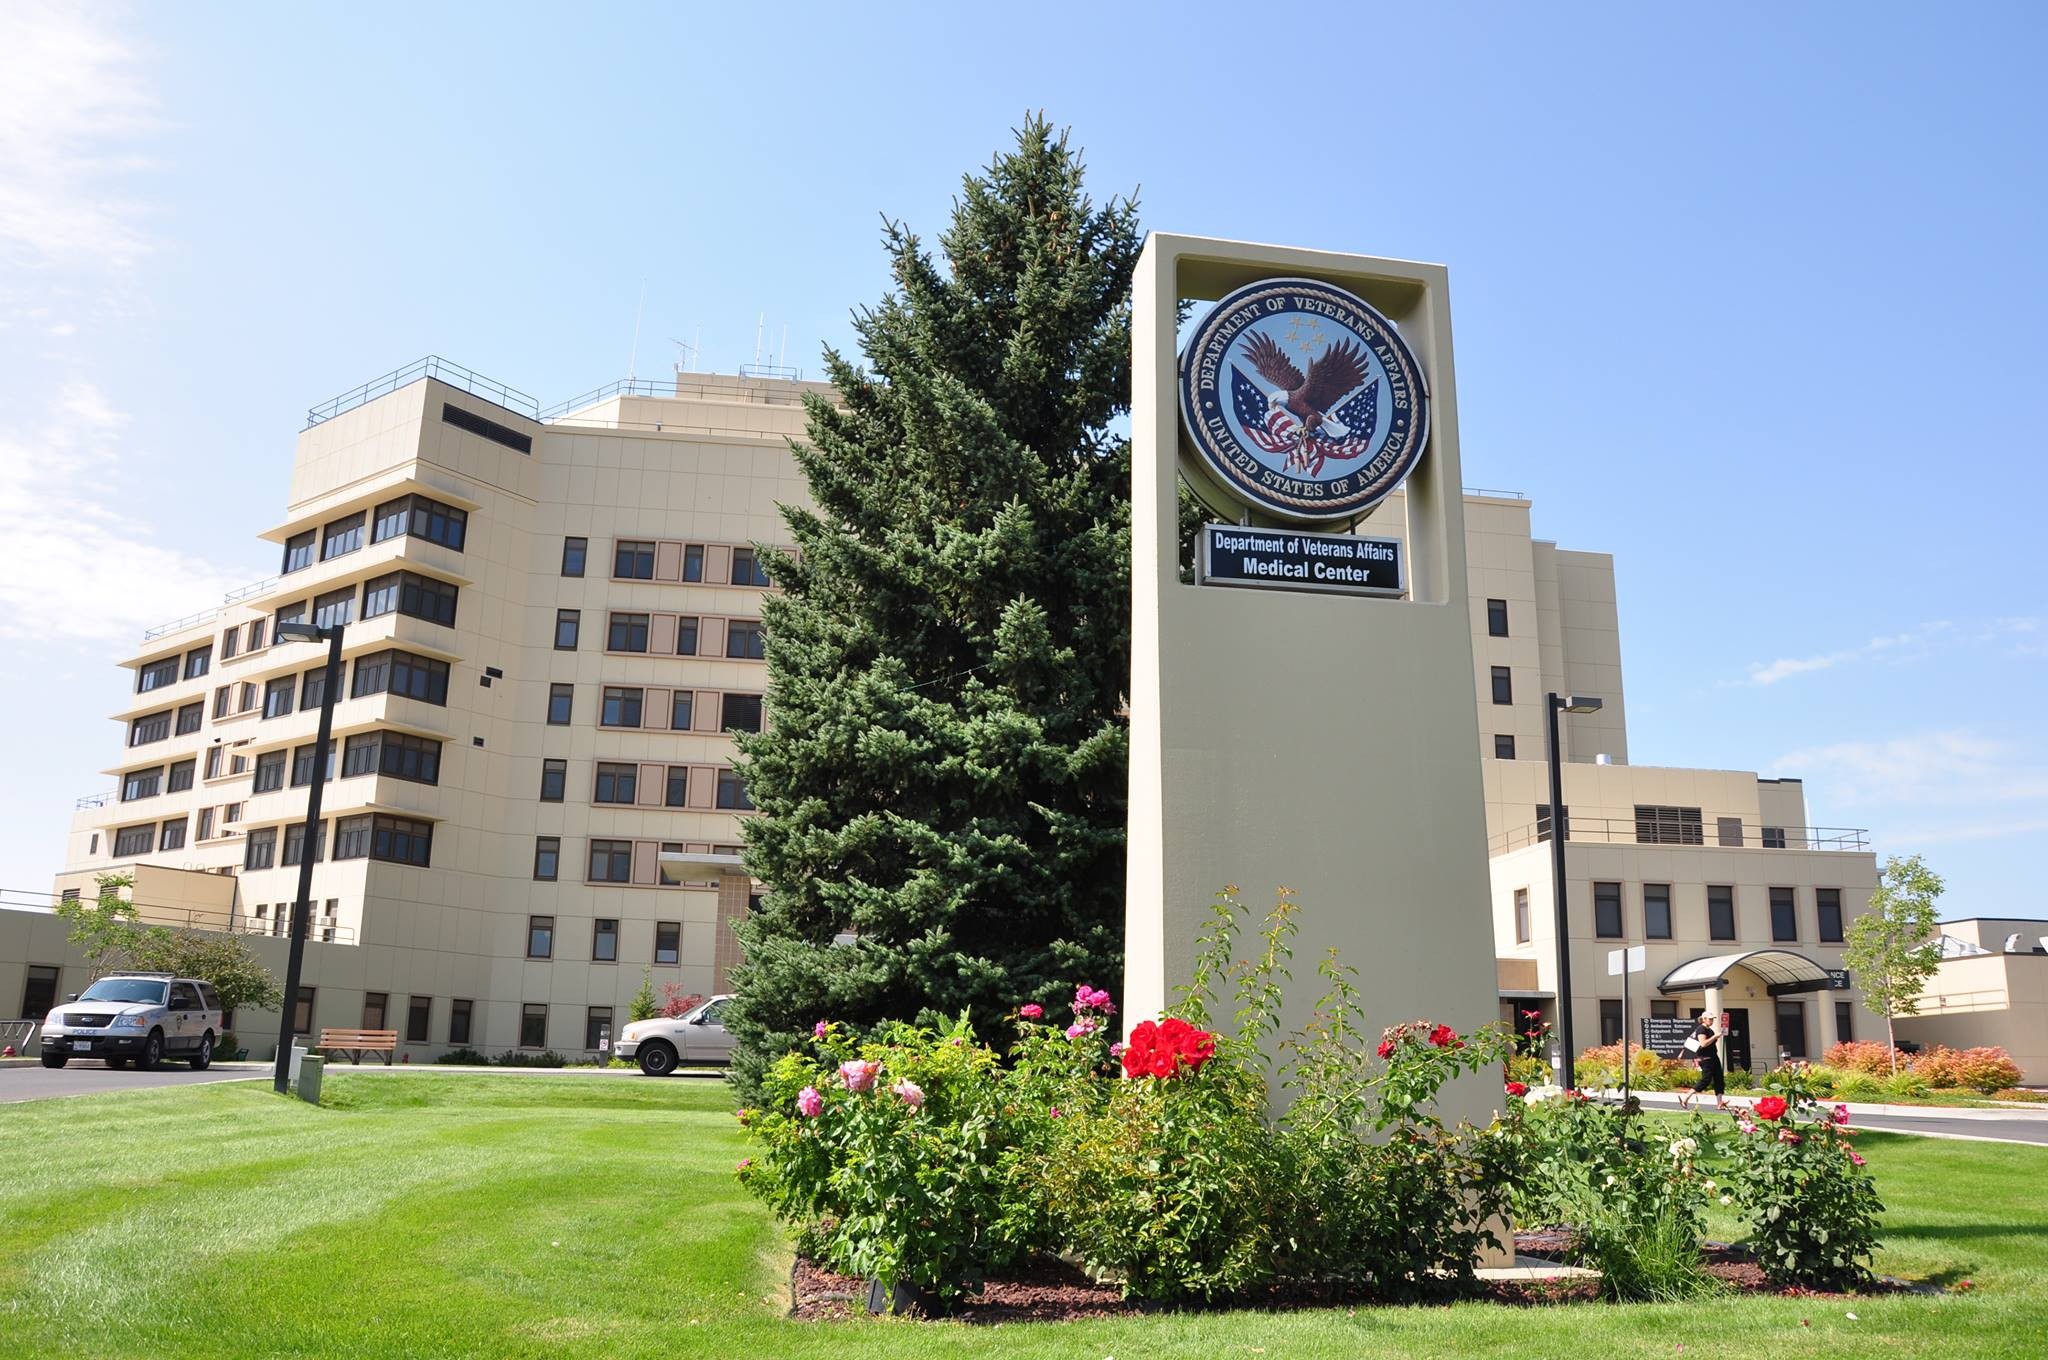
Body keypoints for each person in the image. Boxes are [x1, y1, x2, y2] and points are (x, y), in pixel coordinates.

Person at [1677, 1014, 1728, 1111]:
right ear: (1704, 1019)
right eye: (1710, 1019)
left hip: (1713, 1057)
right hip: (1706, 1058)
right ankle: (1686, 1098)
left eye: (1712, 1019)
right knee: (1706, 1080)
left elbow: (1710, 1043)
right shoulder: (1701, 1029)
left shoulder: (1709, 1030)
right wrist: (1715, 1037)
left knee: (1719, 1080)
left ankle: (1719, 1103)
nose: (1711, 1021)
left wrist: (1716, 1037)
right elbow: (1703, 1043)